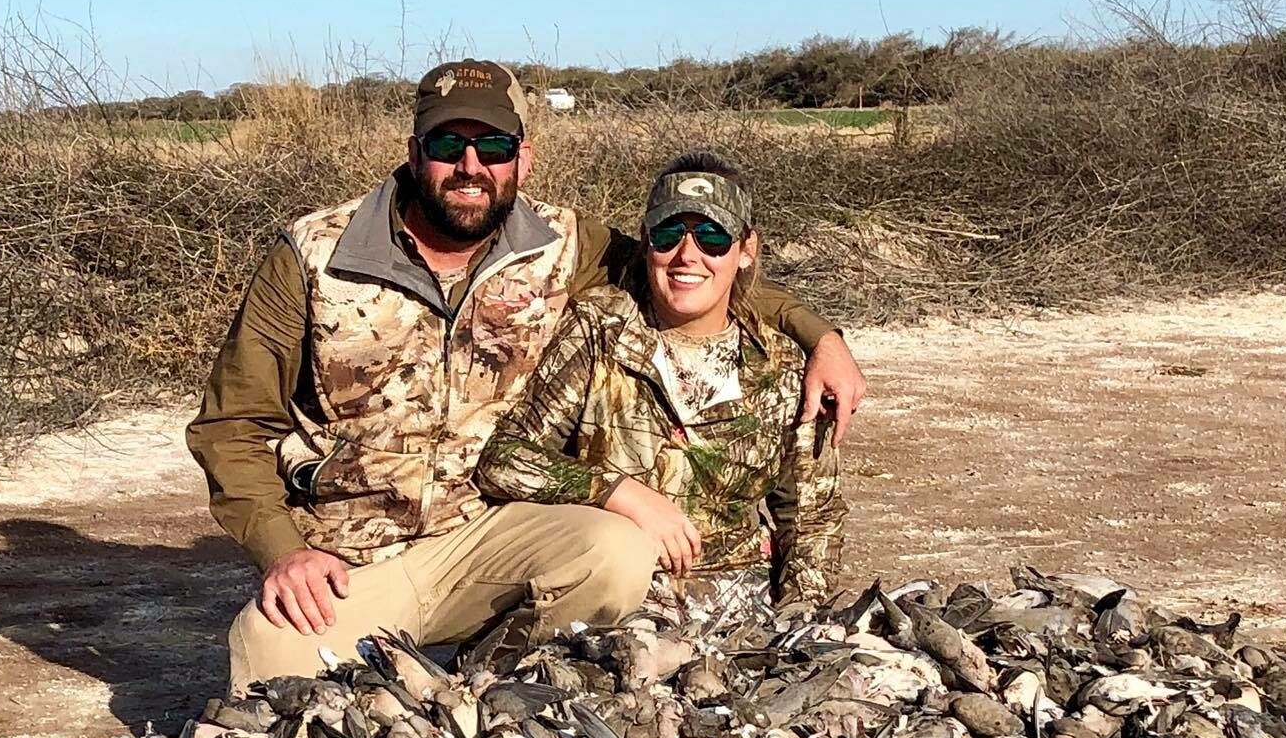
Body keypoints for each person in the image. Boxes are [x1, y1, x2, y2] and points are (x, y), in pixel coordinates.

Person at [187, 60, 865, 691]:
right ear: (416, 152)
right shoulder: (314, 253)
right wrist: (282, 551)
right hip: (354, 555)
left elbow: (692, 276)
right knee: (269, 668)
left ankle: (487, 674)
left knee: (616, 554)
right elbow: (232, 426)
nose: (471, 167)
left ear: (524, 157)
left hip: (498, 532)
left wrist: (820, 336)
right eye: (449, 146)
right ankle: (412, 668)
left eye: (495, 148)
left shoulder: (564, 245)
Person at [474, 150, 844, 616]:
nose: (687, 255)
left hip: (742, 611)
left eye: (712, 237)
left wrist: (799, 619)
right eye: (669, 234)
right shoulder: (598, 330)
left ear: (746, 250)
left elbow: (812, 518)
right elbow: (505, 459)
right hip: (612, 601)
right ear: (647, 241)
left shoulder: (785, 365)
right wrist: (617, 492)